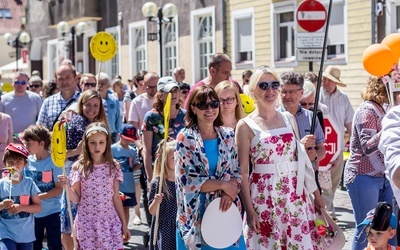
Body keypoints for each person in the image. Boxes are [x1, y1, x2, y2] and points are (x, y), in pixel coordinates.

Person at [235, 66, 324, 248]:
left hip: (295, 194)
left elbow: (302, 162)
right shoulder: (245, 126)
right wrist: (250, 211)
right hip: (264, 195)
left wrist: (316, 195)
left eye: (275, 85)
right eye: (263, 85)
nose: (270, 90)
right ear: (253, 91)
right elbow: (243, 173)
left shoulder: (288, 119)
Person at [175, 85, 245, 249]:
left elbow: (237, 170)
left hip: (226, 211)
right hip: (197, 216)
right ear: (193, 108)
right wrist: (223, 185)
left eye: (214, 104)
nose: (209, 109)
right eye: (202, 105)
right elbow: (187, 181)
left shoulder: (228, 135)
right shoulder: (185, 138)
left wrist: (230, 192)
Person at [58, 122, 131, 249]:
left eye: (101, 142)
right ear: (86, 143)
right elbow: (76, 198)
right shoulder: (79, 167)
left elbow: (115, 197)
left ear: (107, 143)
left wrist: (124, 224)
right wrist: (66, 187)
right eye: (93, 142)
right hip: (87, 223)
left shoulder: (113, 166)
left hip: (109, 222)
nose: (97, 146)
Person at [346, 76, 395, 249]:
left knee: (389, 228)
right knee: (366, 229)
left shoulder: (386, 109)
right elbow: (367, 146)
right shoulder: (367, 110)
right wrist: (389, 127)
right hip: (362, 176)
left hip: (384, 176)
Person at [61, 89, 107, 250]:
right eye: (88, 105)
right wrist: (76, 151)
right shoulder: (74, 122)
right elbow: (60, 153)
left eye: (96, 105)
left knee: (91, 226)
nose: (92, 109)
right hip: (76, 174)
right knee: (70, 223)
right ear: (81, 105)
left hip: (97, 177)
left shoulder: (102, 124)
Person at [320, 65, 354, 221]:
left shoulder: (343, 98)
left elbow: (350, 123)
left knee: (333, 183)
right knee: (323, 184)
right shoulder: (317, 96)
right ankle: (327, 215)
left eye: (329, 80)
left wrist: (354, 143)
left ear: (336, 83)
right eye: (324, 79)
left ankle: (327, 211)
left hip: (337, 149)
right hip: (321, 147)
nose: (325, 82)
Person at [22, 125, 63, 250]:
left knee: (54, 245)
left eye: (29, 143)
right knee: (34, 245)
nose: (26, 147)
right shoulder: (26, 162)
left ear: (41, 143)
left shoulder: (54, 162)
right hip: (33, 213)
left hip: (53, 211)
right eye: (25, 143)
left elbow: (59, 188)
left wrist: (39, 197)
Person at [279, 71, 326, 175]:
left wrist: (316, 155)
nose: (287, 96)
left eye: (291, 92)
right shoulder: (272, 117)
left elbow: (321, 148)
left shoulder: (311, 117)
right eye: (283, 92)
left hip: (307, 175)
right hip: (283, 176)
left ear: (301, 92)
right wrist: (300, 145)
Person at [127, 72, 159, 226]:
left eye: (156, 87)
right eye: (149, 87)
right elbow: (132, 130)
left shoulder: (164, 101)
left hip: (162, 152)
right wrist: (140, 147)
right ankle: (151, 223)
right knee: (148, 188)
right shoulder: (137, 103)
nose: (153, 90)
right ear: (143, 86)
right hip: (144, 151)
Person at [142, 76, 186, 182]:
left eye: (176, 90)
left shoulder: (186, 116)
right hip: (159, 171)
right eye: (169, 91)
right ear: (161, 95)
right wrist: (150, 176)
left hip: (181, 171)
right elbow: (146, 150)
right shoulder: (151, 117)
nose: (174, 94)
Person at [0, 143, 41, 249]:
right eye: (11, 162)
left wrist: (22, 207)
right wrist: (3, 205)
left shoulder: (29, 183)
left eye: (19, 162)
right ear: (5, 163)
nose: (14, 165)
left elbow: (38, 207)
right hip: (6, 234)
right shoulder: (1, 184)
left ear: (25, 164)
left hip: (26, 236)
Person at [111, 123, 141, 240]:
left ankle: (125, 233)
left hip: (129, 185)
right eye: (126, 139)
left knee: (126, 209)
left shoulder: (132, 151)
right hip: (117, 186)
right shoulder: (112, 149)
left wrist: (140, 164)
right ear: (120, 135)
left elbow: (133, 167)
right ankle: (115, 235)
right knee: (115, 210)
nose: (128, 142)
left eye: (131, 140)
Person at [148, 139, 177, 250]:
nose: (177, 160)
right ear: (164, 160)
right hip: (164, 228)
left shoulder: (182, 182)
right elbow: (152, 211)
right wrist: (156, 202)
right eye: (173, 158)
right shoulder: (158, 183)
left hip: (178, 225)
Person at [37, 64, 80, 131]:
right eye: (60, 79)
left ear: (76, 78)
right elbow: (40, 129)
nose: (64, 81)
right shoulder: (48, 102)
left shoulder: (84, 100)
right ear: (56, 81)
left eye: (67, 78)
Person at [96, 72, 121, 143]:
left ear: (108, 85)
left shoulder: (114, 100)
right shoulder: (93, 99)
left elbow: (118, 118)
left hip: (111, 134)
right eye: (98, 83)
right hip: (97, 133)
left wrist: (118, 136)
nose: (100, 86)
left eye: (102, 83)